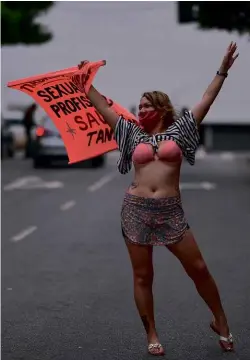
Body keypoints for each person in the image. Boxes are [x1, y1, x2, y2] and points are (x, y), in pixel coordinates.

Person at [73, 42, 238, 356]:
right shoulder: (132, 134)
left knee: (199, 268)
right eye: (139, 106)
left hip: (170, 211)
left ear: (162, 109)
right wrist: (85, 81)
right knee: (143, 275)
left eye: (147, 106)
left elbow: (207, 98)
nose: (141, 110)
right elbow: (101, 106)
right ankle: (151, 333)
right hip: (135, 210)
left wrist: (223, 70)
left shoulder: (180, 130)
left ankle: (220, 319)